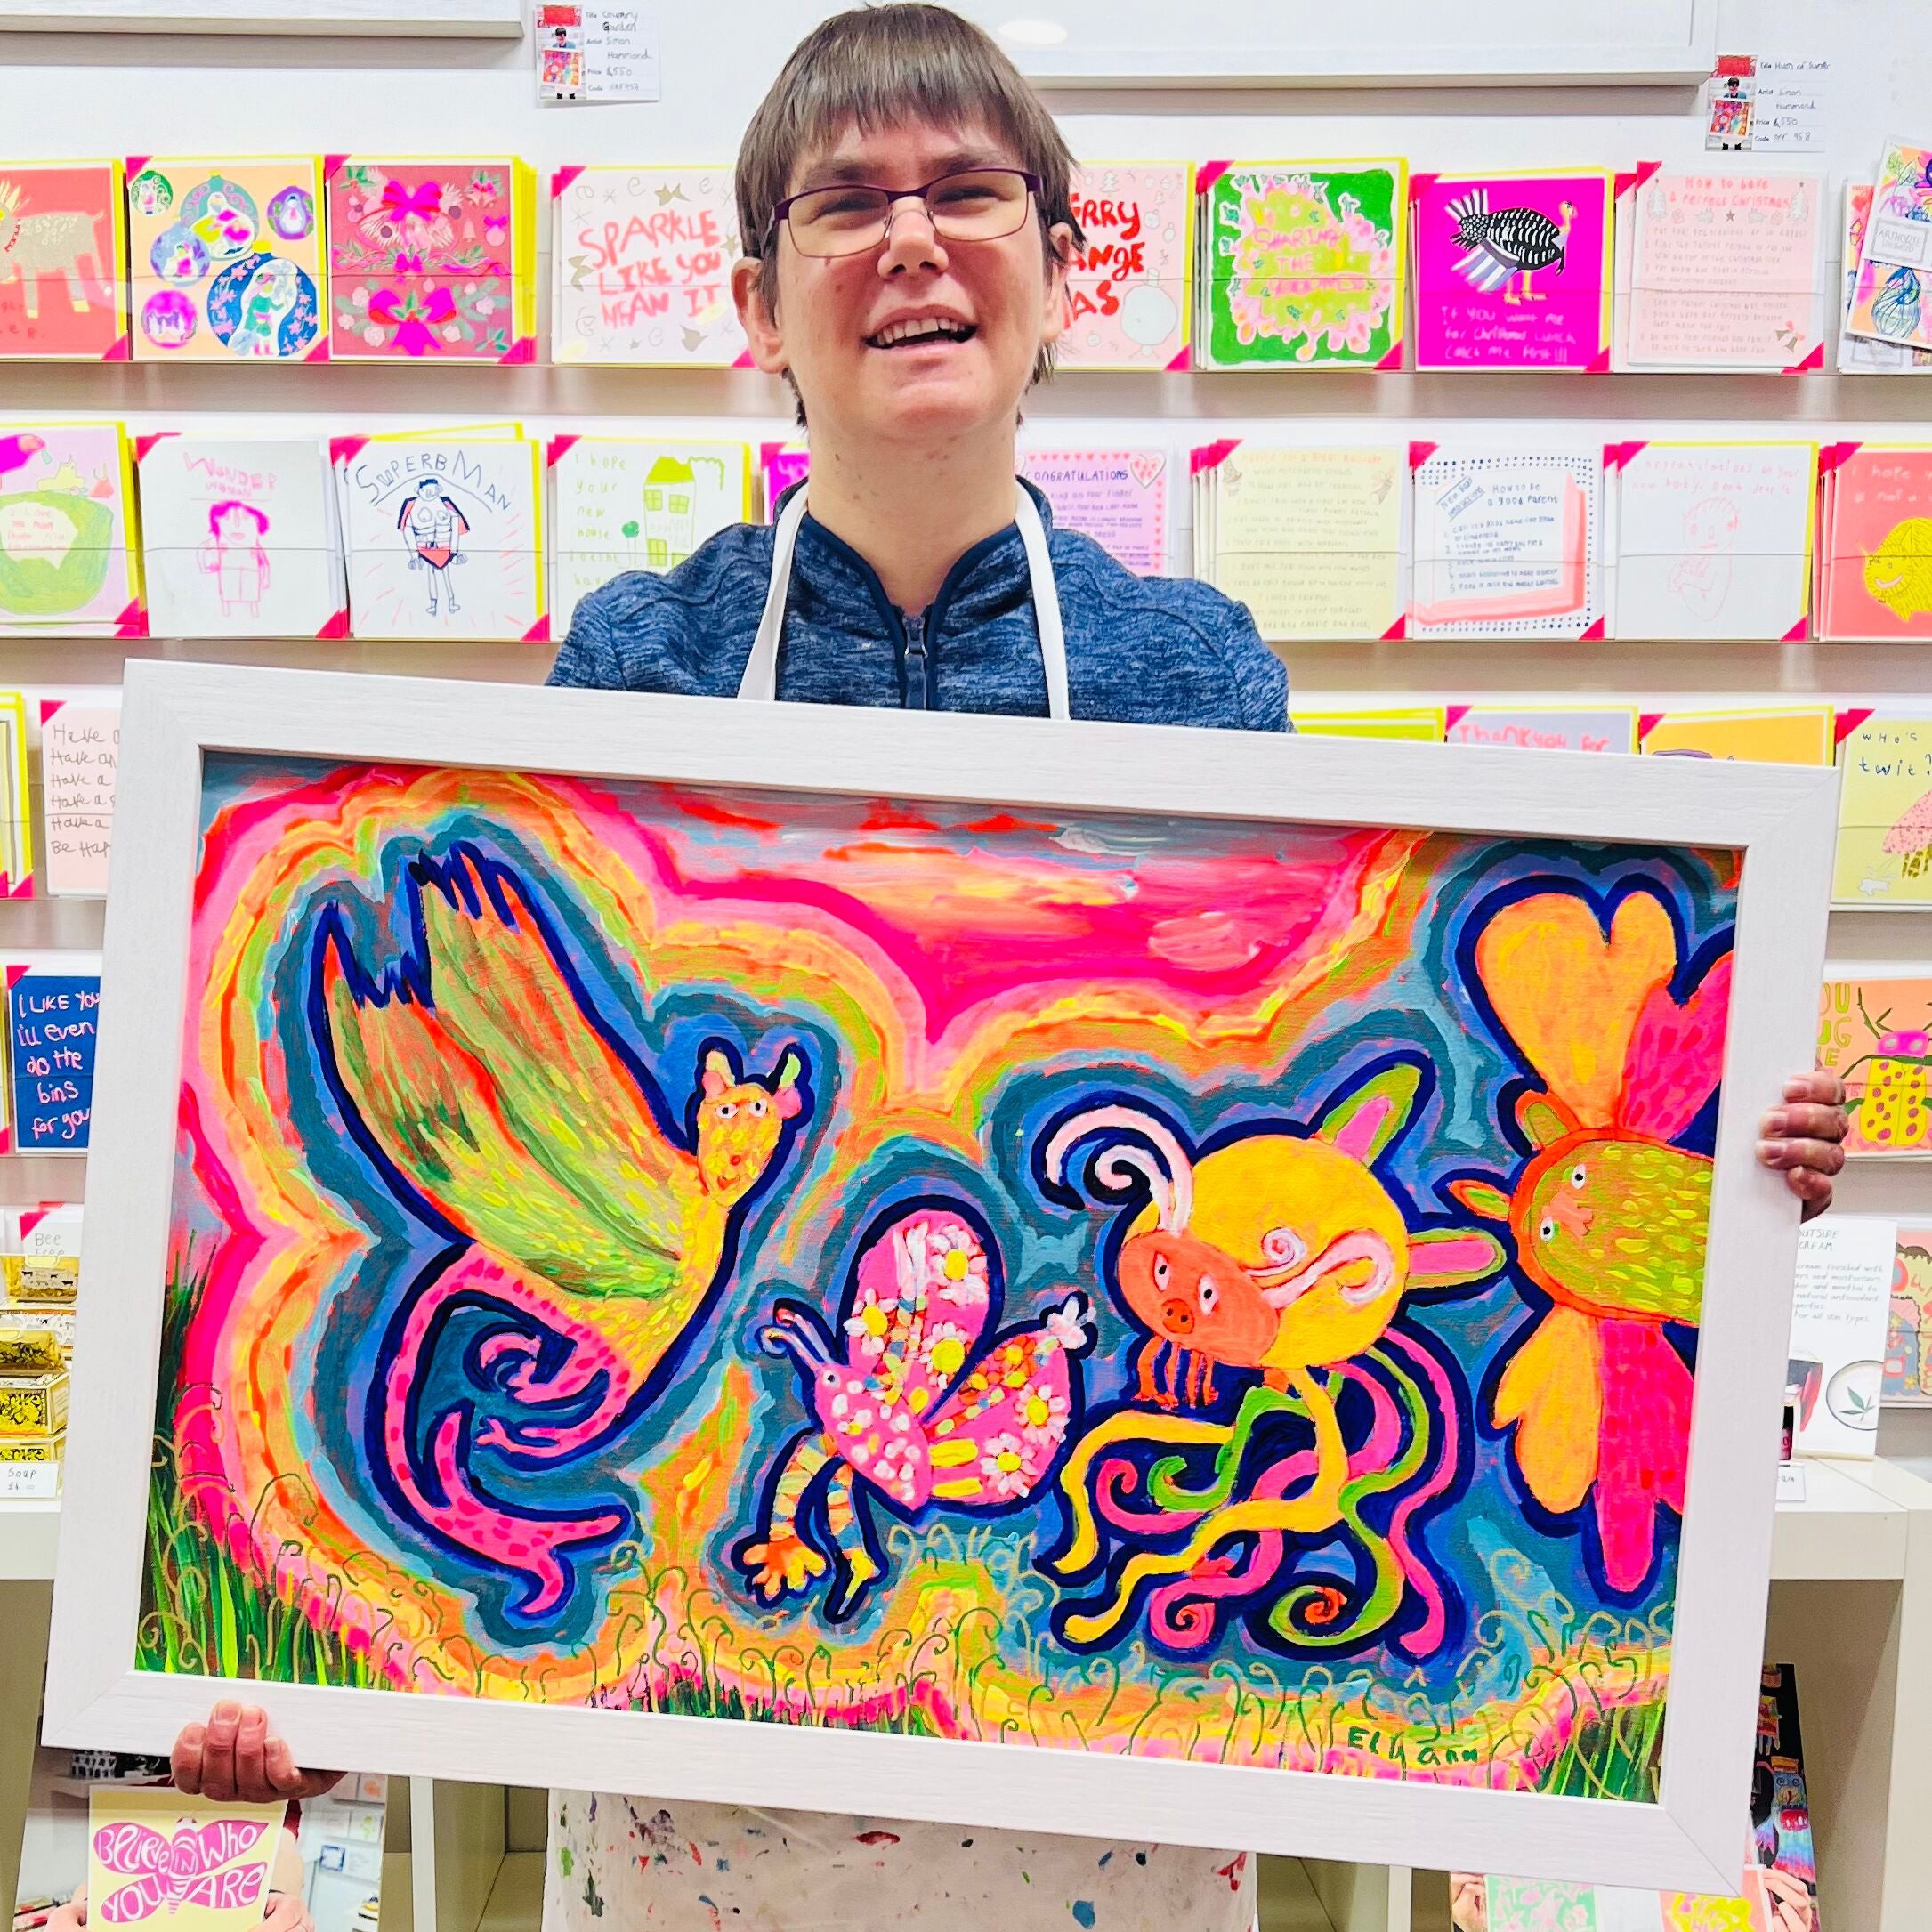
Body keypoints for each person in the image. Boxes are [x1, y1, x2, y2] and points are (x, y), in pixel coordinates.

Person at [163, 9, 1850, 1928]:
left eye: (970, 193)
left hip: (1101, 1752)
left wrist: (1736, 1175)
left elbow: (1331, 1138)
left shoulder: (1190, 671)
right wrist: (286, 1655)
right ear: (753, 299)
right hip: (695, 1773)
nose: (911, 242)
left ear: (1061, 269)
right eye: (845, 204)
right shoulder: (634, 667)